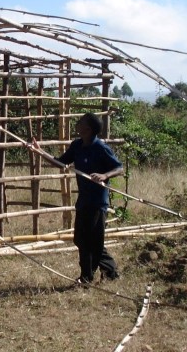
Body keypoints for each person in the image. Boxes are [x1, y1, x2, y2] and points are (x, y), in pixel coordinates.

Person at [55, 113, 123, 284]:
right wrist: (38, 151)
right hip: (83, 200)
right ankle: (92, 273)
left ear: (88, 129)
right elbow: (61, 163)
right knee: (80, 239)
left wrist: (104, 175)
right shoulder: (77, 145)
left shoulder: (101, 148)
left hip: (98, 202)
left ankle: (97, 274)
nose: (77, 124)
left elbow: (118, 168)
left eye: (80, 122)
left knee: (94, 241)